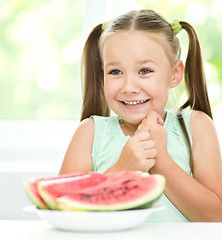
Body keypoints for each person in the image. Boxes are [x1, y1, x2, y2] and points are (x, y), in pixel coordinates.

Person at [59, 9, 222, 222]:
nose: (129, 87)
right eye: (115, 72)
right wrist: (122, 170)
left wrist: (160, 160)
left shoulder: (197, 126)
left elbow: (216, 217)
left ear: (174, 74)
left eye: (144, 71)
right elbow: (63, 210)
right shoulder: (89, 133)